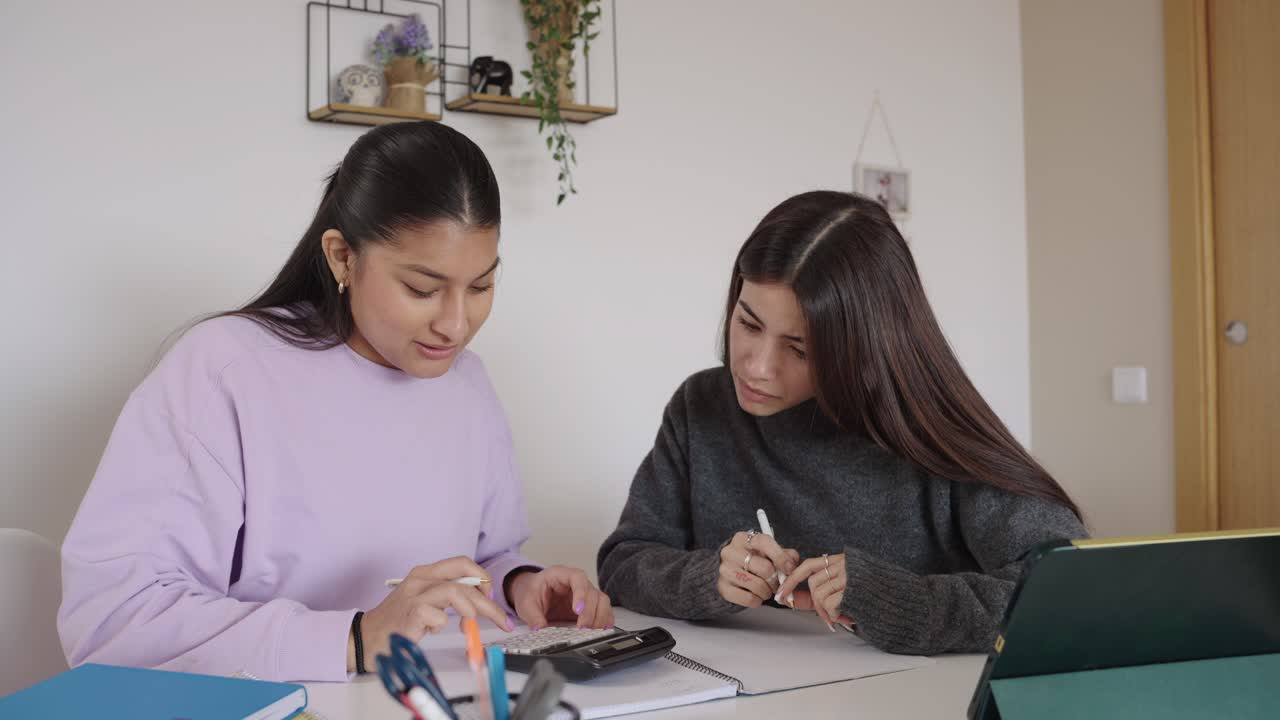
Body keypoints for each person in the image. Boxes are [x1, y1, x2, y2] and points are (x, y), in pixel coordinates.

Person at [59, 122, 612, 682]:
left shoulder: (467, 384)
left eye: (480, 287)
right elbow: (114, 621)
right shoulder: (225, 369)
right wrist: (356, 637)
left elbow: (487, 557)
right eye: (422, 289)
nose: (455, 324)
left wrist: (522, 584)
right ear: (343, 256)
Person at [597, 190, 1085, 655]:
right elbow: (623, 562)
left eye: (799, 349)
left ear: (862, 349)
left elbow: (1070, 587)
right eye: (748, 324)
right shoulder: (701, 405)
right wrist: (708, 577)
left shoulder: (924, 427)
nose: (756, 366)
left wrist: (895, 600)